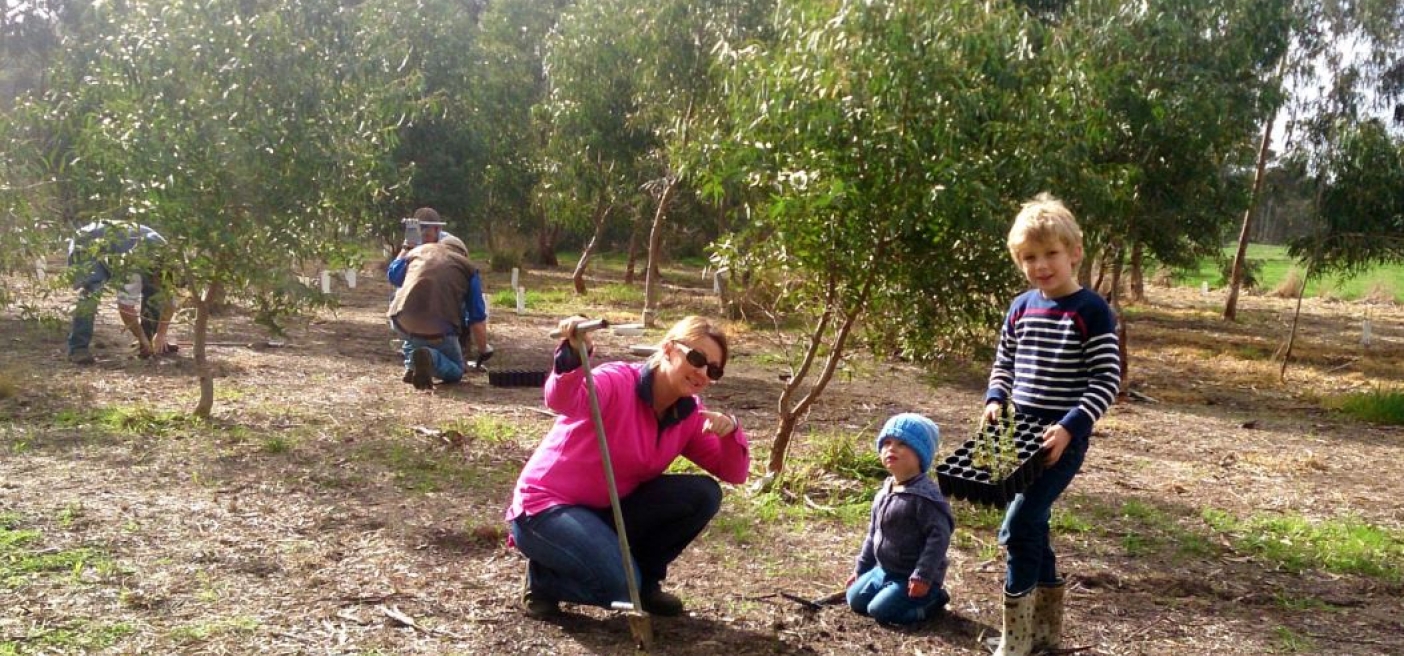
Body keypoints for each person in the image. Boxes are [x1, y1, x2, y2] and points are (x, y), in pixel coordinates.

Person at [506, 315, 749, 619]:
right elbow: (563, 401)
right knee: (623, 588)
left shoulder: (688, 415)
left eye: (713, 370)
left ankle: (645, 582)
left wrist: (731, 433)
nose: (702, 372)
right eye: (697, 358)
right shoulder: (617, 381)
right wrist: (572, 355)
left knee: (703, 494)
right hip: (546, 508)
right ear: (670, 348)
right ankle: (544, 580)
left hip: (606, 511)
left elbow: (734, 473)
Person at [983, 193, 1121, 656]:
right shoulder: (1021, 307)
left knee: (1018, 526)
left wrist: (1069, 427)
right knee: (1034, 523)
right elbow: (1005, 361)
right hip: (1020, 435)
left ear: (1075, 253)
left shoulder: (1092, 311)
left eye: (1050, 254)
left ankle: (1015, 641)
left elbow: (1106, 381)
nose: (1040, 266)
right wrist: (995, 397)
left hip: (1062, 440)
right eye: (1029, 257)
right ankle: (1044, 631)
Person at [846, 413, 954, 626]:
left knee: (880, 611)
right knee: (855, 600)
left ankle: (932, 600)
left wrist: (923, 576)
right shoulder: (885, 491)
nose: (891, 448)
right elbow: (873, 534)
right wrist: (861, 569)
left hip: (912, 577)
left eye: (902, 444)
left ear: (921, 455)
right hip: (884, 569)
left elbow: (938, 538)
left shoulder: (925, 497)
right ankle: (886, 590)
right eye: (886, 443)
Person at [388, 207, 492, 368]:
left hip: (433, 315)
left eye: (426, 228)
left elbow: (472, 309)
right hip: (424, 319)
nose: (422, 233)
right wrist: (407, 247)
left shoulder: (451, 244)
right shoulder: (414, 248)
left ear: (437, 229)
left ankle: (414, 362)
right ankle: (427, 355)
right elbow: (394, 277)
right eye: (419, 228)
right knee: (457, 368)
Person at [65, 220, 177, 365]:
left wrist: (161, 335)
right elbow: (126, 307)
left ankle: (150, 342)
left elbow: (170, 302)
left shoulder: (169, 261)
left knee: (154, 292)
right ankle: (78, 349)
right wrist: (141, 338)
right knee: (92, 292)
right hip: (87, 243)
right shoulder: (134, 265)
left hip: (117, 246)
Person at [386, 236, 483, 389]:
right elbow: (477, 317)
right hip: (440, 331)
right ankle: (431, 358)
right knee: (457, 370)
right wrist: (483, 349)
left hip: (401, 321)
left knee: (414, 335)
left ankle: (411, 366)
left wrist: (405, 249)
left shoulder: (418, 253)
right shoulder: (467, 268)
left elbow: (392, 275)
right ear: (463, 254)